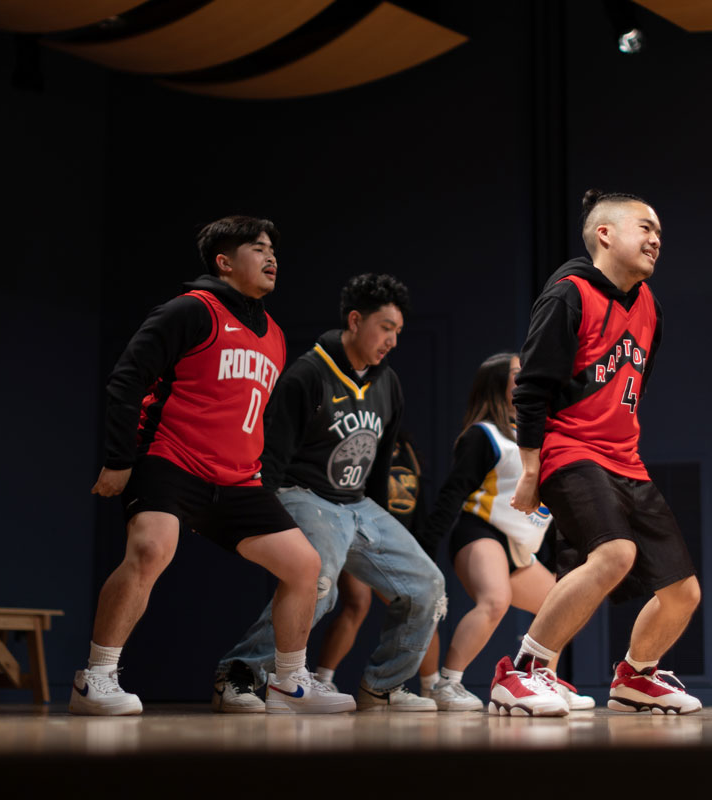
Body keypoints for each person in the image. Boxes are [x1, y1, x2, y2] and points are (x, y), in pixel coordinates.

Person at [74, 216, 344, 715]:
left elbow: (254, 411)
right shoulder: (190, 311)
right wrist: (118, 460)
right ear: (224, 262)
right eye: (258, 248)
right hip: (172, 462)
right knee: (152, 550)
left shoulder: (277, 337)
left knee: (305, 566)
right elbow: (126, 381)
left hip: (238, 479)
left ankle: (288, 682)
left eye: (274, 250)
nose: (271, 258)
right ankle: (97, 677)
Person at [492, 190, 703, 717]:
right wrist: (531, 469)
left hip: (624, 459)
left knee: (684, 593)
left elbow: (637, 386)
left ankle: (635, 675)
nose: (656, 238)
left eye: (660, 231)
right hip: (570, 447)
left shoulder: (650, 305)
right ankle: (522, 671)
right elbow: (532, 388)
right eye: (644, 227)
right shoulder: (569, 294)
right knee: (615, 554)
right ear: (604, 234)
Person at [213, 274, 443, 713]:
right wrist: (271, 520)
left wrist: (381, 521)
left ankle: (383, 686)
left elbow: (379, 461)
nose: (393, 340)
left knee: (427, 584)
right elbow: (272, 461)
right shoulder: (307, 375)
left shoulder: (388, 383)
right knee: (320, 585)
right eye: (386, 328)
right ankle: (240, 672)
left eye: (398, 331)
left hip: (357, 502)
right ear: (355, 321)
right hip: (303, 493)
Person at [418, 353, 595, 712]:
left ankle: (540, 679)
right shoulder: (483, 436)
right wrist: (423, 554)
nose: (526, 376)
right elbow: (452, 494)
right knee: (495, 600)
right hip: (480, 532)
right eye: (517, 373)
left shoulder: (538, 436)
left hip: (520, 546)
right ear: (497, 384)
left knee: (561, 606)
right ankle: (447, 683)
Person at [314, 432, 444, 698]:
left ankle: (433, 686)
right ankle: (323, 679)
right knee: (357, 604)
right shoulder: (357, 445)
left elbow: (417, 506)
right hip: (360, 534)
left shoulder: (407, 448)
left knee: (421, 603)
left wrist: (423, 549)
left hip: (397, 540)